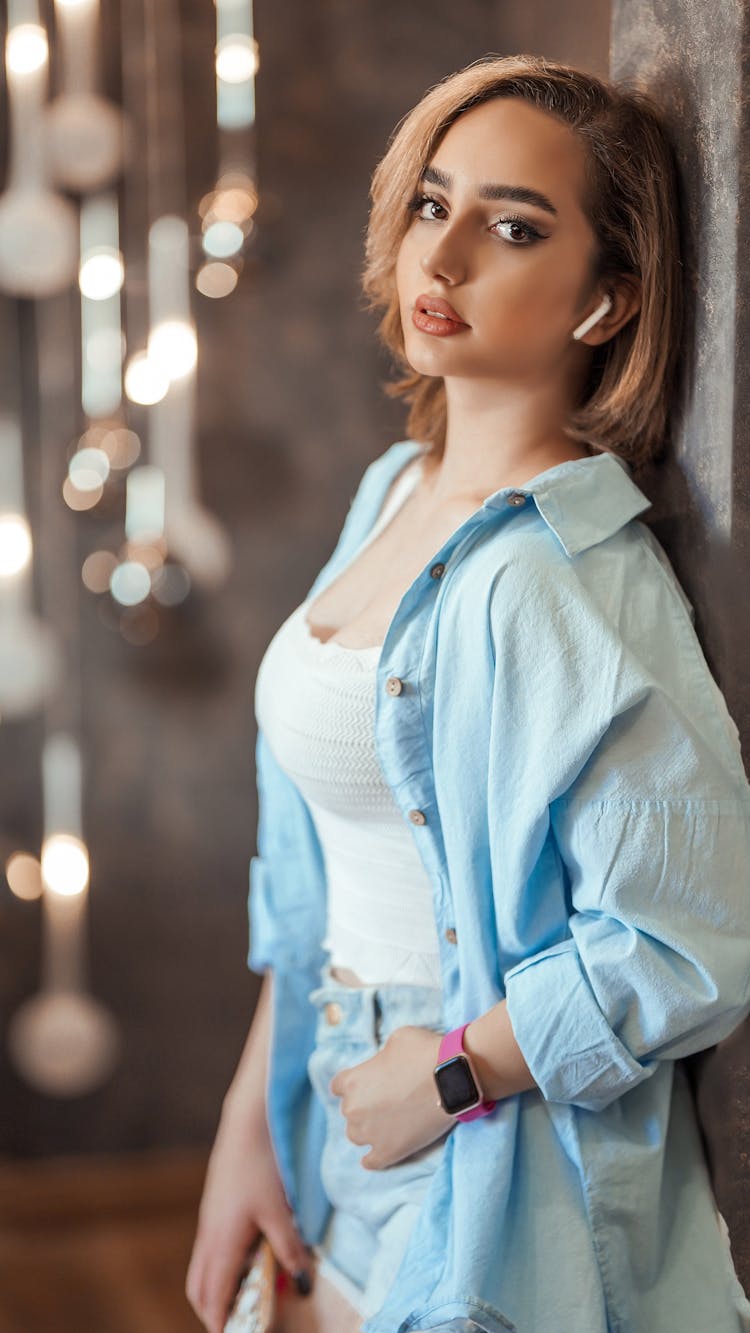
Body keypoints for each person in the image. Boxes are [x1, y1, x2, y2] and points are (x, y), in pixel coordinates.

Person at [186, 52, 750, 1333]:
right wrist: (250, 1127)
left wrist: (450, 1075)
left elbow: (692, 937)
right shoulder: (391, 493)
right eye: (433, 205)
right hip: (330, 1088)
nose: (441, 262)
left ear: (604, 304)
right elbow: (318, 873)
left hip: (494, 1142)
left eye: (511, 227)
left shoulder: (562, 577)